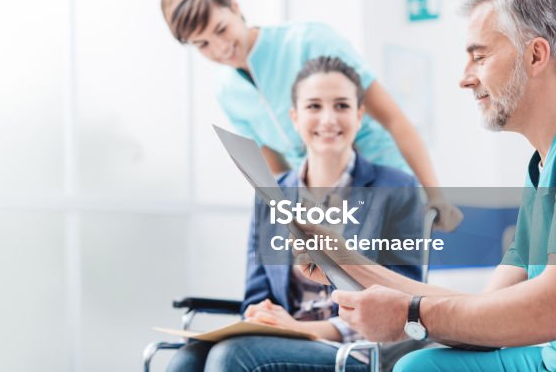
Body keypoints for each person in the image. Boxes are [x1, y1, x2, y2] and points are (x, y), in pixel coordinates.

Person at [293, 0, 556, 371]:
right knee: (420, 366)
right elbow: (487, 311)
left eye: (480, 56)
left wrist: (411, 315)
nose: (465, 77)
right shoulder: (548, 161)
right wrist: (348, 263)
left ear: (536, 55)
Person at [165, 56, 426, 372]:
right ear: (294, 117)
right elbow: (257, 294)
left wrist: (300, 329)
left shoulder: (397, 189)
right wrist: (261, 314)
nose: (328, 118)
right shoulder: (270, 194)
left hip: (357, 351)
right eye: (314, 106)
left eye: (341, 106)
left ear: (359, 115)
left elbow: (405, 300)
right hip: (283, 339)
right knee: (185, 360)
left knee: (231, 357)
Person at [161, 0, 463, 232]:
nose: (221, 48)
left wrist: (435, 195)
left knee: (389, 288)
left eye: (221, 29)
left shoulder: (310, 41)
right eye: (203, 44)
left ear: (235, 6)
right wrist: (291, 216)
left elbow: (394, 119)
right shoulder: (228, 92)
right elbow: (275, 166)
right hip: (320, 201)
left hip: (380, 180)